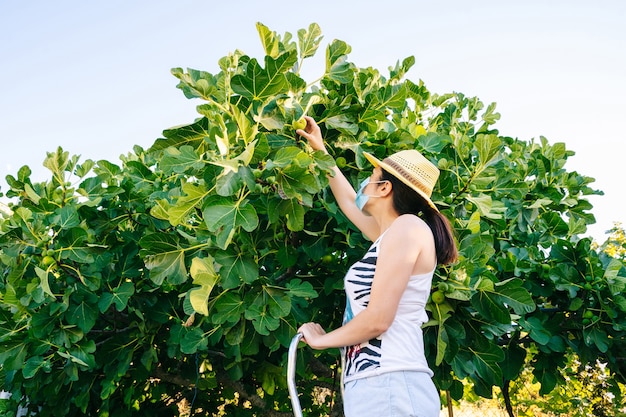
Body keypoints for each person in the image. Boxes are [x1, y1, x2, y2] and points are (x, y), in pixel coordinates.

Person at [296, 116, 458, 417]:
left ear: (384, 188)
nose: (364, 184)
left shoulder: (408, 228)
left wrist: (321, 341)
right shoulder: (390, 235)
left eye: (371, 176)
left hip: (393, 381)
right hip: (375, 385)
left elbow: (378, 319)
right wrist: (320, 150)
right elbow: (347, 201)